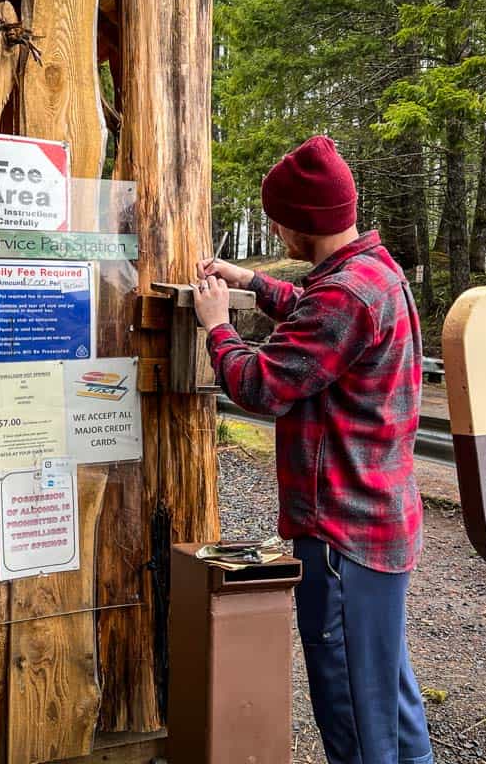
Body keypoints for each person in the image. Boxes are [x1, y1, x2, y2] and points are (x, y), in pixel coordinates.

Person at [193, 135, 434, 764]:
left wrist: (217, 327)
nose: (275, 229)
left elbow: (261, 383)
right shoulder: (373, 273)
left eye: (279, 219)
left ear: (303, 222)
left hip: (341, 537)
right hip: (379, 524)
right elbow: (313, 310)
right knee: (388, 697)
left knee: (352, 711)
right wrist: (249, 283)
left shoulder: (344, 297)